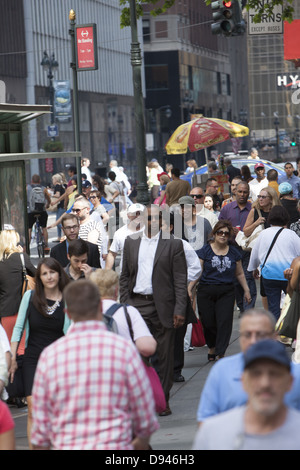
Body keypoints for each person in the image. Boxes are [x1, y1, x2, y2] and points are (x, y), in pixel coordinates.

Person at [30, 280, 159, 450]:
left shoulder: (50, 356)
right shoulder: (124, 350)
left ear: (68, 313)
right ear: (99, 307)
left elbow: (40, 431)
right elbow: (145, 417)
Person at [119, 205, 188, 416]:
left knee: (164, 357)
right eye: (148, 218)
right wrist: (125, 303)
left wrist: (180, 309)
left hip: (164, 307)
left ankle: (162, 400)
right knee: (138, 356)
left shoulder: (173, 244)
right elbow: (124, 276)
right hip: (137, 305)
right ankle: (143, 400)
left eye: (156, 219)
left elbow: (180, 280)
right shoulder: (131, 243)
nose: (152, 222)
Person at [193, 339, 300, 450]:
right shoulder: (212, 434)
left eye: (275, 374)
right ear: (243, 381)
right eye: (256, 374)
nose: (265, 383)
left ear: (290, 381)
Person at [197, 309, 300, 424]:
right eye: (247, 335)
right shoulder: (222, 370)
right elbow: (205, 421)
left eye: (261, 334)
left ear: (274, 336)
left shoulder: (296, 374)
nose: (253, 341)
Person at [10, 258, 70, 448]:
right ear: (39, 277)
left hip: (59, 362)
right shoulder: (30, 296)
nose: (49, 276)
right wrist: (12, 358)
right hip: (33, 359)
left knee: (57, 410)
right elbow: (18, 328)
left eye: (52, 272)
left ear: (59, 274)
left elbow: (72, 334)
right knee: (34, 410)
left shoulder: (67, 299)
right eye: (44, 273)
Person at [190, 220, 251, 361]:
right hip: (206, 290)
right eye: (220, 232)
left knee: (224, 321)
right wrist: (190, 287)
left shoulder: (234, 253)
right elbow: (198, 271)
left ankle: (221, 351)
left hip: (227, 291)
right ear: (214, 234)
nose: (223, 236)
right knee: (208, 321)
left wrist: (246, 290)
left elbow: (240, 273)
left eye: (226, 233)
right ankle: (212, 346)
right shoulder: (205, 250)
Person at [248, 205, 300, 321]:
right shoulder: (291, 234)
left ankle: (275, 333)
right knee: (291, 305)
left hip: (269, 275)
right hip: (288, 275)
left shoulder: (264, 233)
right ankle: (288, 330)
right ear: (286, 218)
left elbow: (255, 253)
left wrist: (254, 269)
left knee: (273, 307)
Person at [90, 269, 157, 357]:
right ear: (116, 290)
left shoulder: (83, 313)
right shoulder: (129, 312)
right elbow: (147, 348)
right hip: (122, 364)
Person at [219, 181, 257, 313]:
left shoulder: (253, 209)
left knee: (248, 278)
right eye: (239, 191)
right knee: (235, 280)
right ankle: (241, 306)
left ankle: (248, 310)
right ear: (235, 192)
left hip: (247, 249)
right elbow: (219, 226)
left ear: (248, 193)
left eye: (245, 192)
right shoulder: (227, 208)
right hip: (231, 248)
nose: (242, 194)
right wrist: (229, 230)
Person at [0, 229, 36, 354]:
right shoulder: (21, 257)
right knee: (22, 349)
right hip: (23, 309)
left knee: (8, 350)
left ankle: (10, 373)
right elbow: (36, 274)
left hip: (5, 312)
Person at [105, 203, 145, 271]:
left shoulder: (150, 231)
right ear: (128, 215)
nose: (138, 216)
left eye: (140, 213)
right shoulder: (120, 233)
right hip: (127, 275)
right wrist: (106, 272)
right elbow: (112, 254)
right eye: (135, 213)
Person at [72, 197, 104, 262]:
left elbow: (90, 247)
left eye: (78, 210)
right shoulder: (75, 225)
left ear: (87, 210)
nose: (75, 213)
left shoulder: (93, 226)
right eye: (73, 210)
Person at [27, 174, 51, 253]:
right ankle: (46, 245)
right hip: (42, 211)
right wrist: (47, 205)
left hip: (31, 211)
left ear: (32, 181)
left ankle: (27, 247)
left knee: (29, 228)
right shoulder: (44, 189)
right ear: (40, 181)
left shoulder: (28, 188)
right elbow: (48, 198)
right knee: (44, 228)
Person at [51, 173, 66, 242]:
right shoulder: (63, 185)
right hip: (64, 205)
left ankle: (62, 235)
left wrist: (50, 194)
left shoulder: (57, 185)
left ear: (56, 180)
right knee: (61, 220)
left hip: (60, 205)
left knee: (58, 221)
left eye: (53, 179)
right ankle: (60, 236)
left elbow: (57, 195)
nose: (52, 181)